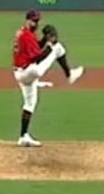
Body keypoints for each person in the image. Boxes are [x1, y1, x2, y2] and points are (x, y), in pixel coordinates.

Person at [10, 10, 84, 147]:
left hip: (20, 73)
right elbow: (37, 58)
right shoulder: (26, 35)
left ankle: (23, 136)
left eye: (37, 21)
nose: (36, 23)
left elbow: (34, 49)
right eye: (33, 20)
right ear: (27, 20)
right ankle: (69, 75)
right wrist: (50, 45)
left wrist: (44, 40)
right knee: (58, 48)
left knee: (30, 104)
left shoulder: (23, 32)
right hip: (29, 71)